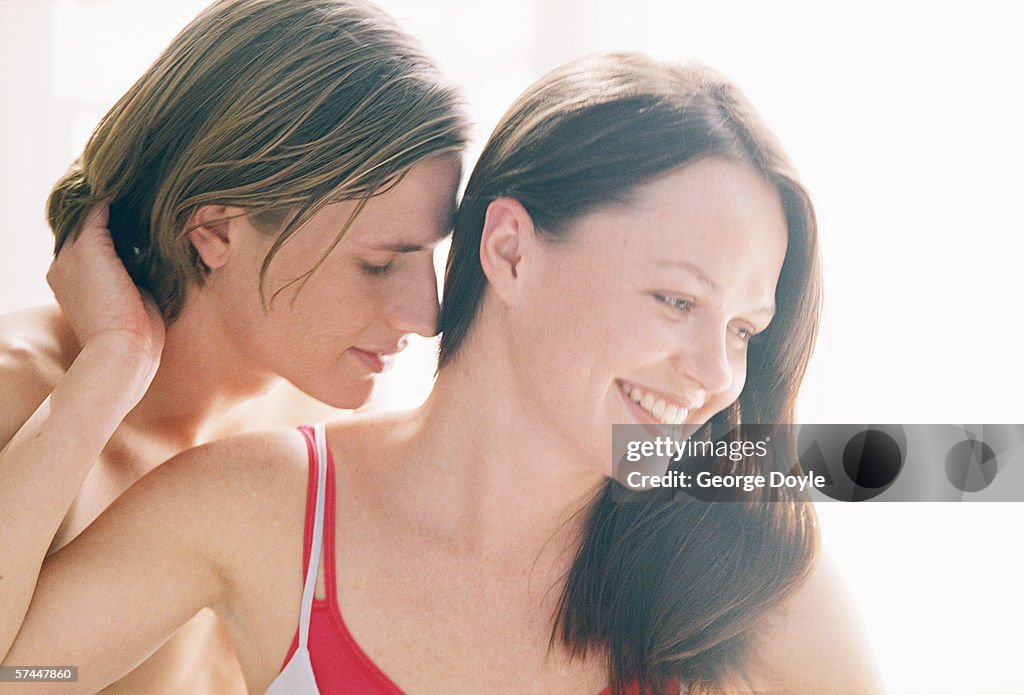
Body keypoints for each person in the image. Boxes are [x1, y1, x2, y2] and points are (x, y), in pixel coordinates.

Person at [1, 53, 883, 694]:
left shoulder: (744, 553)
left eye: (742, 329)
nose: (715, 375)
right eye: (675, 301)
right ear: (508, 251)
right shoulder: (260, 501)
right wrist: (114, 359)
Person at [0, 0, 466, 692]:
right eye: (377, 263)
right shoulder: (25, 396)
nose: (427, 316)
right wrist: (113, 364)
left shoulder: (327, 408)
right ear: (214, 231)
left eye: (429, 256)